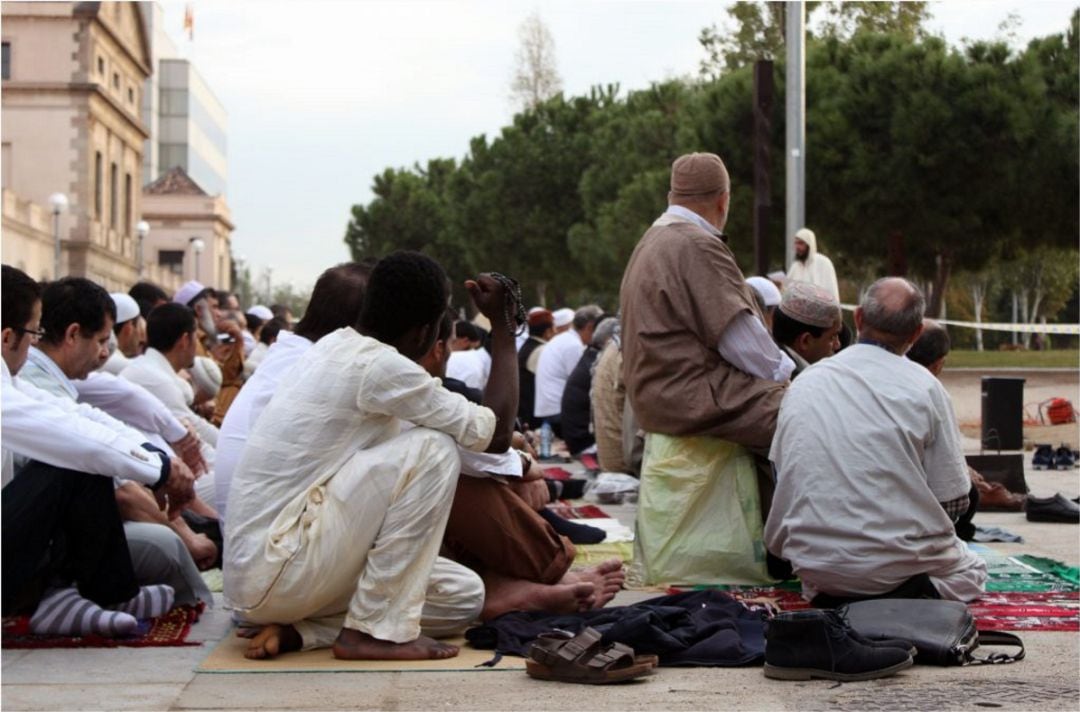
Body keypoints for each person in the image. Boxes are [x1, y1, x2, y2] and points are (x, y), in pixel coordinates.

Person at [224, 252, 520, 661]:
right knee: (434, 449)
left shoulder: (334, 345)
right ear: (424, 333)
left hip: (265, 577)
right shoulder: (378, 366)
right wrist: (503, 329)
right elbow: (499, 434)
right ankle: (375, 635)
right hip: (281, 565)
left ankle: (308, 632)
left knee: (463, 595)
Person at [620, 152, 792, 585]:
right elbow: (746, 345)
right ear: (723, 200)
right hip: (696, 395)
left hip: (659, 398)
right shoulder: (696, 243)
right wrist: (795, 378)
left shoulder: (652, 239)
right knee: (808, 416)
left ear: (671, 195)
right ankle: (808, 551)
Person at [765, 278, 987, 604]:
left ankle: (843, 594)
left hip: (820, 566)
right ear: (915, 335)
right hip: (902, 562)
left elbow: (783, 474)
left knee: (831, 568)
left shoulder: (804, 383)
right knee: (973, 572)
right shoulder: (926, 386)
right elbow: (953, 500)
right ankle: (904, 595)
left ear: (857, 319)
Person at [2, 265, 195, 635]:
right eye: (33, 333)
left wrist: (159, 461)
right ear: (8, 336)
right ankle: (70, 595)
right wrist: (160, 470)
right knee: (71, 457)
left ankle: (103, 593)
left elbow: (72, 415)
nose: (36, 343)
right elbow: (68, 434)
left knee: (81, 449)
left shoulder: (11, 381)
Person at [215, 262, 373, 520]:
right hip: (270, 542)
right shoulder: (318, 369)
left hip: (250, 530)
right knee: (428, 448)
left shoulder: (290, 354)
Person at [906, 320, 1024, 520]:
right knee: (967, 495)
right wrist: (966, 477)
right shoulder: (932, 393)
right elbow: (952, 491)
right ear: (939, 362)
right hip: (912, 512)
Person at [121, 303, 220, 459]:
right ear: (185, 340)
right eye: (196, 337)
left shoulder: (152, 370)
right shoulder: (156, 379)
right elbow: (195, 438)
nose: (198, 345)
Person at [533, 305, 604, 433]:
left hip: (548, 409)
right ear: (590, 327)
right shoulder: (573, 345)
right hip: (557, 411)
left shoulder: (565, 339)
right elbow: (582, 384)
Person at [560, 317, 618, 457]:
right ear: (609, 339)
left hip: (577, 439)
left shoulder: (591, 356)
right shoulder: (599, 362)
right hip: (584, 443)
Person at [771, 281, 842, 378]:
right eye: (832, 337)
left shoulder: (768, 360)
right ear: (805, 341)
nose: (837, 345)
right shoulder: (793, 383)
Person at [517, 309, 554, 430]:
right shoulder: (542, 350)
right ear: (548, 332)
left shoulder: (528, 345)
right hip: (533, 418)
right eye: (555, 329)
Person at [786, 228, 839, 302]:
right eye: (796, 243)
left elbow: (829, 294)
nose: (797, 247)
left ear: (809, 244)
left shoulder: (823, 263)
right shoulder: (795, 266)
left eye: (801, 243)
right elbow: (787, 290)